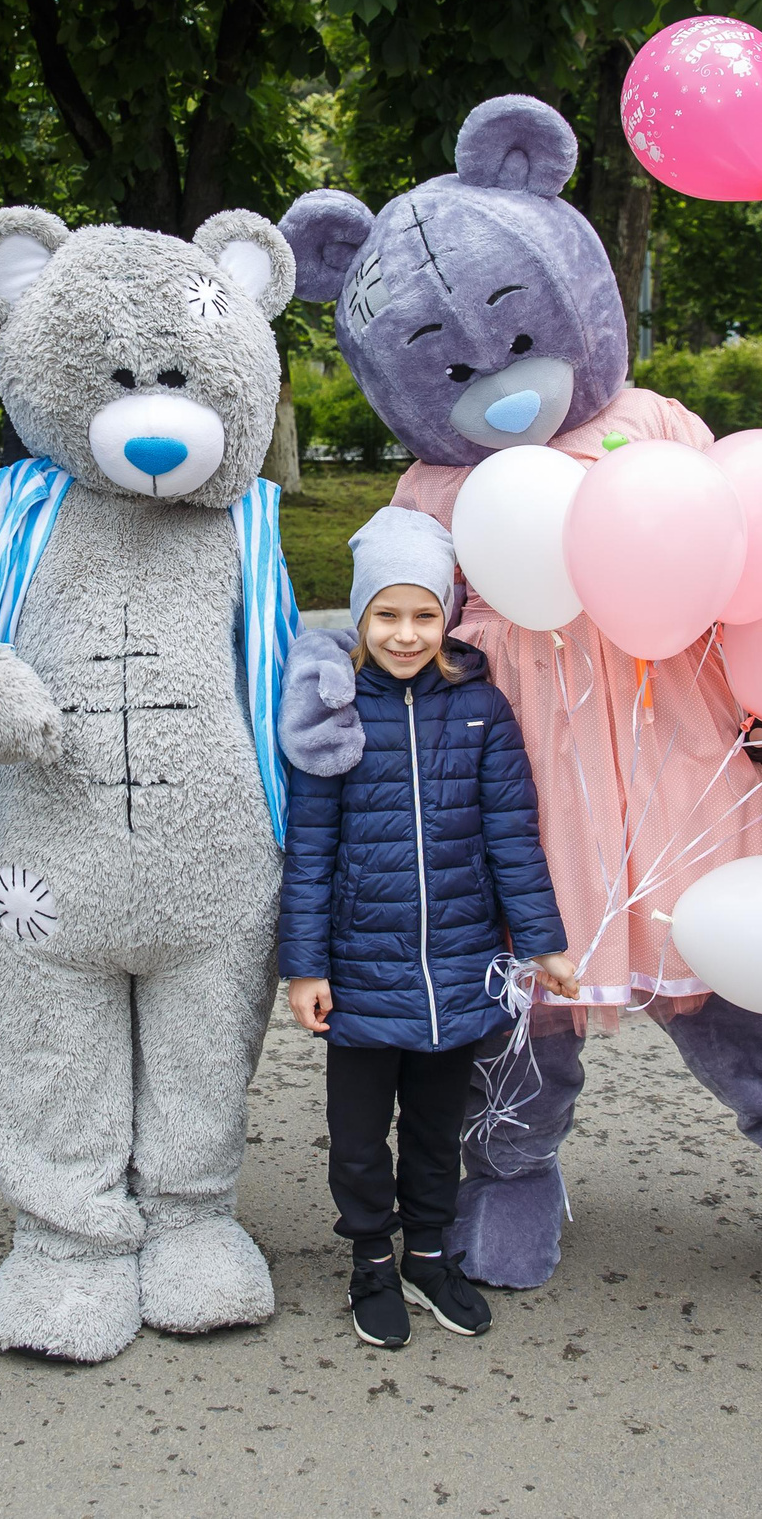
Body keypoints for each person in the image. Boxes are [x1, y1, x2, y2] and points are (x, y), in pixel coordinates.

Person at [280, 508, 579, 1349]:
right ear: (359, 614)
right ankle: (371, 1260)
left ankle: (430, 1254)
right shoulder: (329, 709)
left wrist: (542, 941)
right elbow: (310, 848)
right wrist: (305, 967)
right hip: (363, 971)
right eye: (386, 614)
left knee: (437, 1132)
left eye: (423, 614)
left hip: (458, 970)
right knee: (359, 1139)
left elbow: (511, 837)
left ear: (446, 613)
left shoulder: (479, 707)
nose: (406, 634)